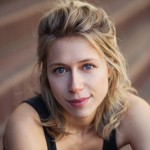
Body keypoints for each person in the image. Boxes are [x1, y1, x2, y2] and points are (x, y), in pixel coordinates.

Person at [3, 0, 150, 150]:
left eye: (87, 66)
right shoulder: (25, 124)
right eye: (60, 70)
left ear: (110, 68)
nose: (75, 86)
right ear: (46, 74)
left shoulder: (132, 113)